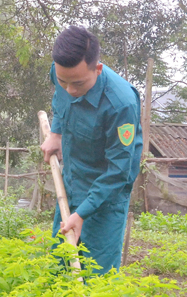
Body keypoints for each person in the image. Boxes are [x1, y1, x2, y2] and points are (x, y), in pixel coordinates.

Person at [40, 25, 142, 275]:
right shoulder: (61, 73)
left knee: (98, 275)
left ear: (98, 69)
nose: (71, 90)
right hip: (72, 181)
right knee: (61, 266)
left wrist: (83, 213)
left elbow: (119, 170)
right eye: (64, 81)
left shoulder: (121, 104)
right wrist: (56, 133)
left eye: (78, 83)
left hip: (107, 193)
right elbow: (60, 100)